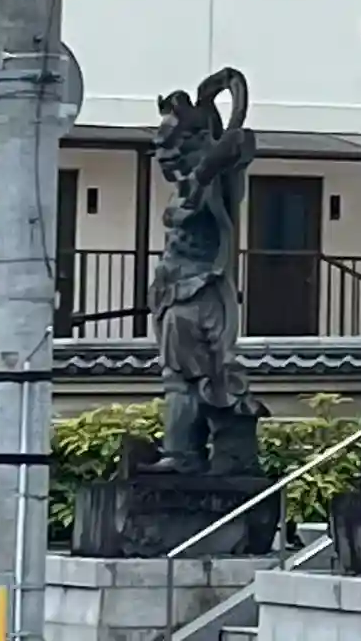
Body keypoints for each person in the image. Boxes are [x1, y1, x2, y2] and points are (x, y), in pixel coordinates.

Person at [147, 68, 258, 474]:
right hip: (175, 292)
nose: (163, 153)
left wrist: (212, 158)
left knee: (183, 379)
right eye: (159, 144)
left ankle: (182, 454)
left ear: (195, 141)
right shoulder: (193, 184)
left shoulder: (214, 182)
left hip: (197, 293)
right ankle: (187, 451)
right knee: (188, 379)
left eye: (171, 142)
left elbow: (238, 143)